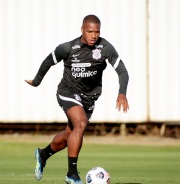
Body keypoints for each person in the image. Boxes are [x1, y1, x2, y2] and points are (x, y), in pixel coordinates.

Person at [25, 14, 129, 184]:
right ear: (82, 30)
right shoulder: (67, 48)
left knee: (70, 135)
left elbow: (122, 71)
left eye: (97, 32)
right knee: (80, 124)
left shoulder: (105, 48)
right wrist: (36, 82)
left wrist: (122, 93)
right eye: (89, 31)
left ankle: (42, 155)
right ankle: (72, 174)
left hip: (89, 98)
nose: (93, 35)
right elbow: (47, 62)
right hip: (67, 92)